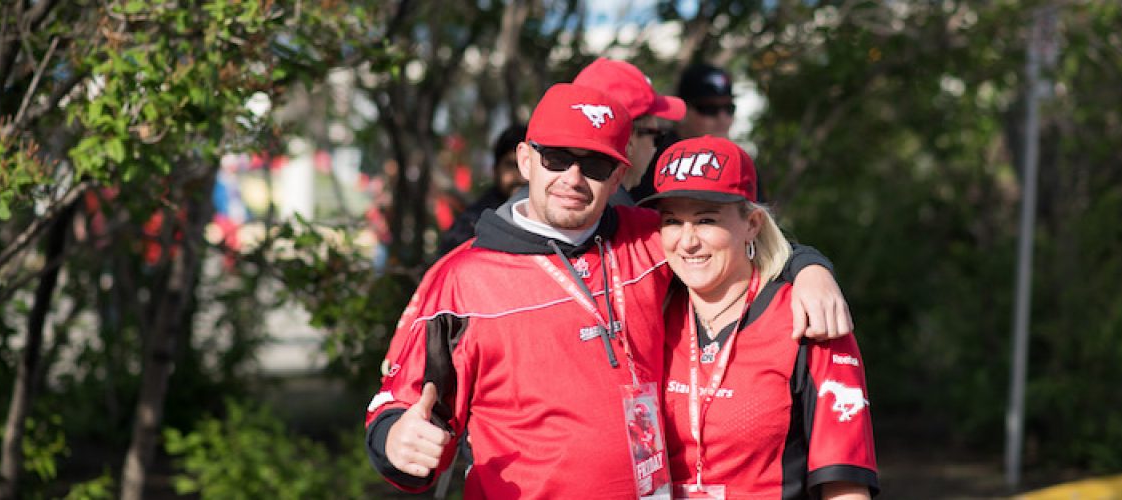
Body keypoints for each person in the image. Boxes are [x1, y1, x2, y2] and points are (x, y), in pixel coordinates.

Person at [363, 83, 852, 499]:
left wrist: (810, 267)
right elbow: (398, 405)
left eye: (595, 165)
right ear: (526, 160)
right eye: (557, 158)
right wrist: (395, 441)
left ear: (618, 175)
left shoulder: (651, 238)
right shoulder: (460, 278)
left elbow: (732, 240)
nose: (573, 179)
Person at [640, 136, 878, 499]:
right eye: (672, 221)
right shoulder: (650, 310)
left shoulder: (808, 317)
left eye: (706, 220)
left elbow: (846, 486)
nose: (687, 241)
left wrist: (812, 267)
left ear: (752, 223)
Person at [572, 57, 685, 206]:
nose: (655, 149)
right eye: (656, 137)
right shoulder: (617, 215)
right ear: (628, 141)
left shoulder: (559, 198)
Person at [631, 63, 740, 202]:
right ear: (684, 110)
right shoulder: (653, 153)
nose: (722, 119)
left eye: (729, 108)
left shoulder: (737, 161)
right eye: (709, 109)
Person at [435, 123, 528, 256]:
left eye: (528, 166)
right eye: (512, 165)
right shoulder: (471, 224)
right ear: (495, 170)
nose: (521, 177)